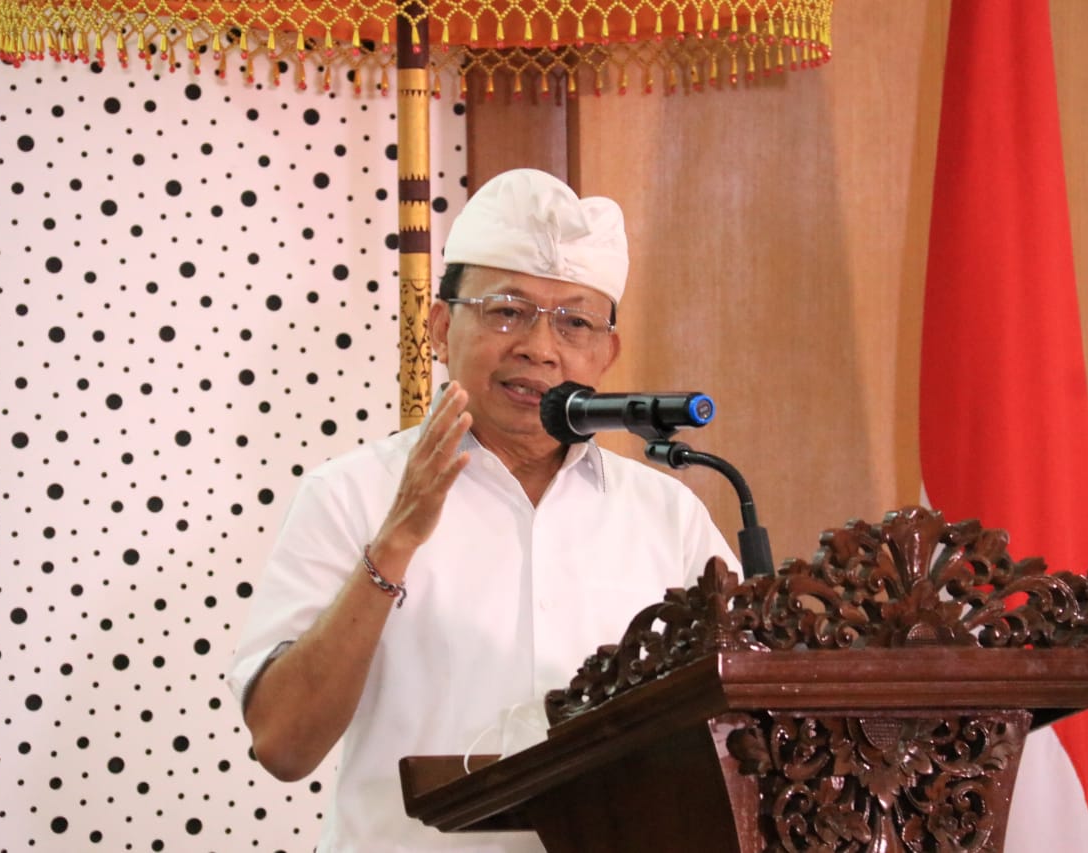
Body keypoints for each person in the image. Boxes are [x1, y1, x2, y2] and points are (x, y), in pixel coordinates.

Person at [228, 168, 738, 852]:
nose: (539, 347)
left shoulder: (667, 515)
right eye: (507, 311)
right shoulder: (351, 493)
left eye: (574, 322)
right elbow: (284, 745)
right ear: (440, 327)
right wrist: (394, 544)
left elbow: (747, 719)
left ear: (606, 353)